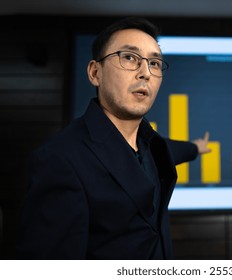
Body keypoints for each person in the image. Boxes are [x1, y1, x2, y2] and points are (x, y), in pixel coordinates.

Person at [16, 17, 210, 259]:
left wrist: (197, 147)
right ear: (95, 73)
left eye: (155, 62)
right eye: (129, 57)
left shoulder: (153, 145)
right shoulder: (59, 159)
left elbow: (175, 150)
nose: (145, 73)